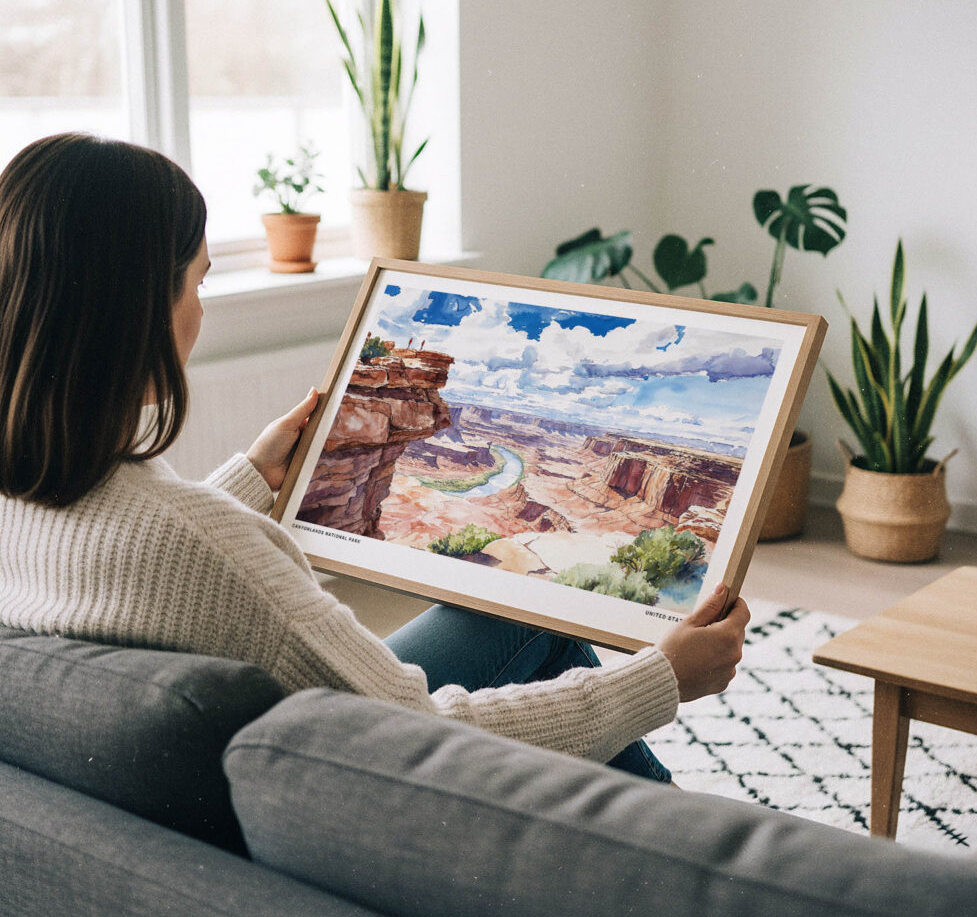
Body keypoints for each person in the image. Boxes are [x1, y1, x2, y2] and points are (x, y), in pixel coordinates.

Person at [0, 133, 749, 783]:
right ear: (136, 311)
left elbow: (140, 553)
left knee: (510, 615)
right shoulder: (205, 546)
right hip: (358, 780)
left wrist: (251, 479)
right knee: (547, 633)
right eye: (198, 282)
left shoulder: (28, 497)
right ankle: (694, 853)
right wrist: (660, 679)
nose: (202, 309)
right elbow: (418, 734)